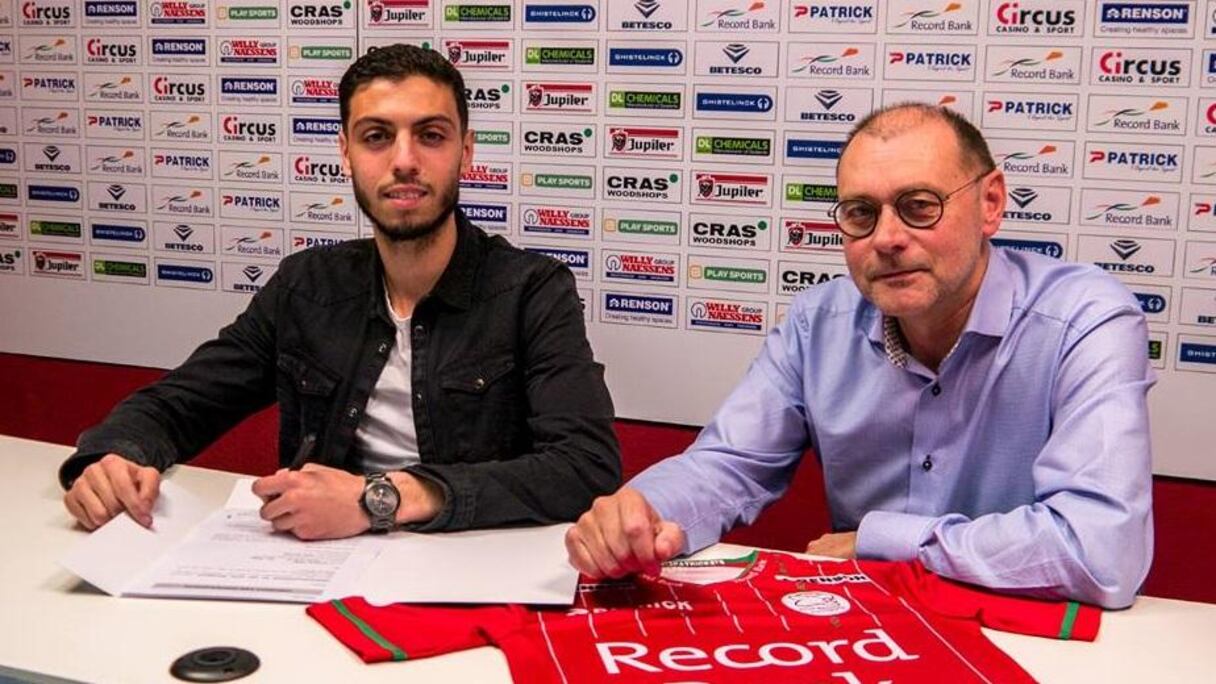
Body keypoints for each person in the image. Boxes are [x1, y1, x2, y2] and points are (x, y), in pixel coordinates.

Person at [566, 103, 1154, 609]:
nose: (888, 238)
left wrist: (886, 541)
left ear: (990, 203)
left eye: (919, 205)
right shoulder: (817, 323)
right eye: (861, 213)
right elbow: (727, 466)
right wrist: (640, 514)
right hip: (869, 627)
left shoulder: (1084, 319)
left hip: (1028, 636)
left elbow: (1099, 551)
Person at [61, 44, 621, 539]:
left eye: (431, 135)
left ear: (466, 152)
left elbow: (585, 466)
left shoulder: (531, 290)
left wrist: (381, 498)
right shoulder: (306, 286)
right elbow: (179, 404)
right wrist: (113, 459)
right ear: (346, 153)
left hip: (469, 568)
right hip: (318, 566)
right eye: (377, 137)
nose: (404, 161)